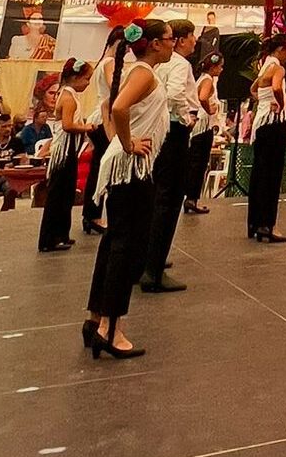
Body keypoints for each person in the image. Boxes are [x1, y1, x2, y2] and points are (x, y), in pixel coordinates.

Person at [84, 19, 174, 360]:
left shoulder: (140, 72)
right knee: (127, 247)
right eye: (167, 40)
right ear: (153, 44)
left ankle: (97, 319)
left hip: (127, 167)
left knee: (114, 242)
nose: (171, 45)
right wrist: (127, 142)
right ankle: (111, 327)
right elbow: (118, 107)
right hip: (131, 168)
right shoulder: (144, 74)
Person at [133, 19, 198, 292]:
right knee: (169, 200)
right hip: (173, 132)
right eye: (190, 36)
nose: (194, 41)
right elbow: (174, 95)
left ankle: (146, 260)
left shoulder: (152, 67)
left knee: (156, 196)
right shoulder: (179, 65)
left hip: (156, 132)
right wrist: (186, 118)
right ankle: (154, 269)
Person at [38, 59, 94, 252]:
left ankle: (61, 233)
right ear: (76, 77)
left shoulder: (68, 94)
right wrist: (86, 127)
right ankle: (49, 238)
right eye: (87, 79)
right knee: (59, 194)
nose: (88, 83)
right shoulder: (68, 97)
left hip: (68, 147)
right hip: (65, 148)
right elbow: (68, 125)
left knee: (66, 192)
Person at [247, 31, 286, 243]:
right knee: (272, 175)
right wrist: (280, 103)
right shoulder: (278, 68)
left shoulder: (265, 66)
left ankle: (254, 222)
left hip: (262, 122)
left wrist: (264, 101)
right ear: (281, 49)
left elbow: (253, 89)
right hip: (274, 123)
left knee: (259, 172)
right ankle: (268, 224)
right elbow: (276, 87)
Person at [81, 26, 124, 236]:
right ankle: (94, 214)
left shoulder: (102, 62)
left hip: (98, 116)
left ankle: (91, 214)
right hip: (104, 119)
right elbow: (114, 86)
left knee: (98, 167)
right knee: (101, 168)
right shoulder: (110, 62)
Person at [183, 52, 224, 215]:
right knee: (198, 164)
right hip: (203, 127)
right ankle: (192, 198)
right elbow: (202, 97)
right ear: (214, 66)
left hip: (199, 127)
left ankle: (191, 197)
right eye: (220, 66)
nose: (222, 70)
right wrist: (210, 109)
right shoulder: (208, 80)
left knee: (195, 162)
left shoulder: (201, 79)